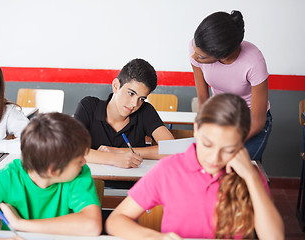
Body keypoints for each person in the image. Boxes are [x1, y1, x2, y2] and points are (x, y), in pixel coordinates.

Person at [106, 93, 284, 239]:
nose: (215, 158)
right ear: (197, 128)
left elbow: (274, 237)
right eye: (208, 144)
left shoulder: (248, 175)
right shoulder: (170, 169)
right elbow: (116, 220)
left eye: (229, 150)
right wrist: (155, 237)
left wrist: (252, 178)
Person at [0, 113, 102, 239]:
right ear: (52, 171)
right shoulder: (8, 178)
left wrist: (21, 224)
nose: (84, 161)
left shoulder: (79, 173)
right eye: (78, 159)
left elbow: (92, 225)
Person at [189, 10, 272, 161]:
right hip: (221, 117)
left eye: (201, 56)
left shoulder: (254, 61)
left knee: (236, 170)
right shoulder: (199, 48)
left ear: (223, 55)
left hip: (250, 123)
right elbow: (203, 99)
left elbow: (257, 121)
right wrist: (204, 130)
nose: (194, 57)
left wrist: (225, 141)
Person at [74, 58, 174, 168]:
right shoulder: (89, 106)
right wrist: (113, 159)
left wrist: (121, 152)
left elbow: (171, 149)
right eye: (131, 93)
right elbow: (70, 148)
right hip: (94, 183)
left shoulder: (145, 111)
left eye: (141, 99)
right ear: (116, 86)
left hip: (132, 184)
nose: (134, 104)